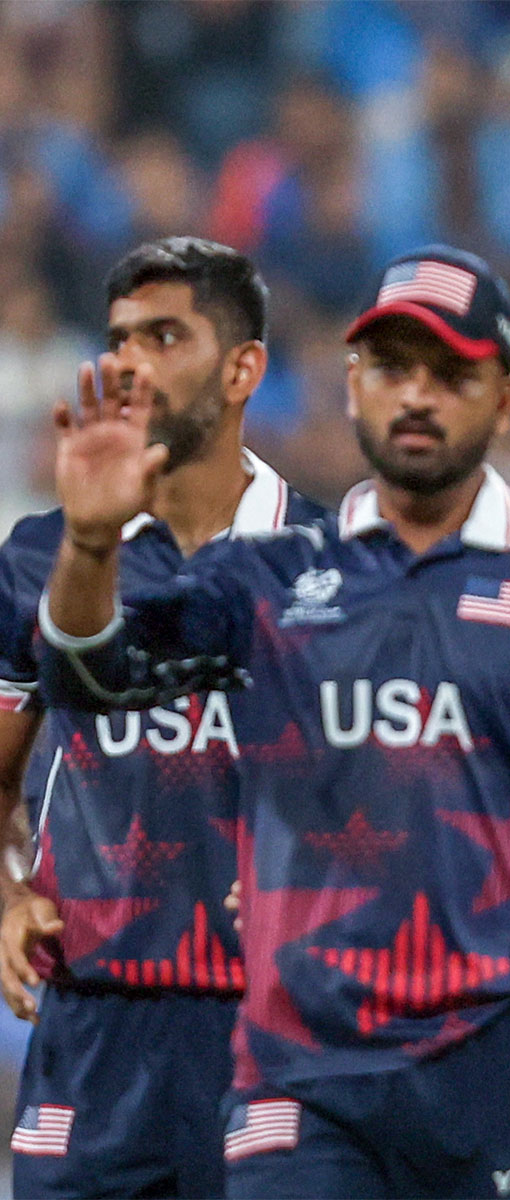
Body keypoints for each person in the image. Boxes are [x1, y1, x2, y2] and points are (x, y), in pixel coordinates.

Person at [33, 244, 510, 1200]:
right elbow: (91, 679)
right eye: (391, 368)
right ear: (352, 387)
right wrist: (90, 543)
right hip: (303, 1081)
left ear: (505, 398)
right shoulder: (270, 581)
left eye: (451, 372)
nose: (416, 395)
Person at [0, 237, 323, 1198]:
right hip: (92, 1028)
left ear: (243, 368)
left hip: (280, 1027)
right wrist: (9, 895)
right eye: (119, 338)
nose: (130, 361)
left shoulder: (336, 560)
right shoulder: (42, 556)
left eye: (165, 335)